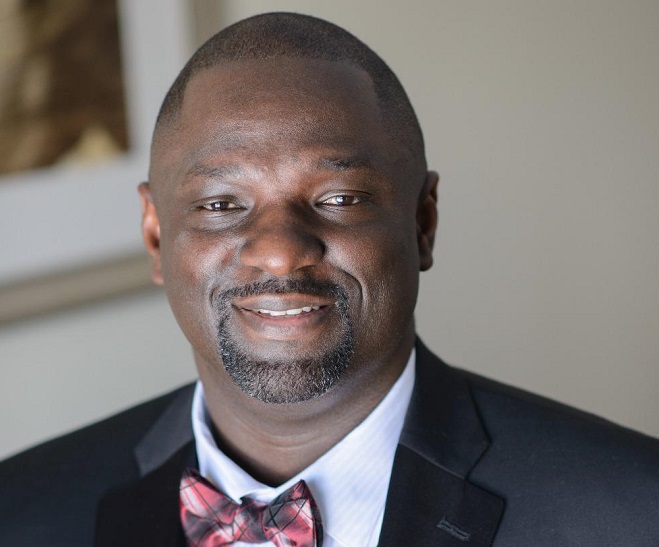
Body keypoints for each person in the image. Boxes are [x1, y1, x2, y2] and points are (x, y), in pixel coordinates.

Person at [1, 12, 658, 547]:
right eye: (221, 204)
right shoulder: (20, 511)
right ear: (154, 235)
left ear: (422, 222)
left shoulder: (633, 513)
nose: (279, 253)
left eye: (340, 198)